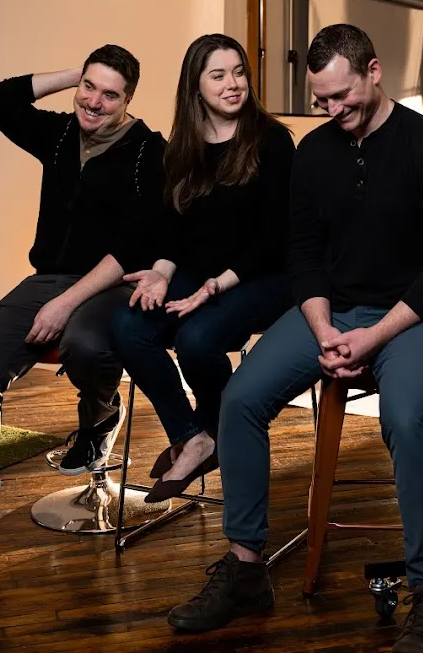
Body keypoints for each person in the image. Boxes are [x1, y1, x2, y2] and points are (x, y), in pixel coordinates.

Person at [166, 24, 423, 653]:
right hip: (332, 315)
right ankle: (246, 569)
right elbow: (302, 255)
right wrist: (326, 328)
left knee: (407, 417)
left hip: (415, 317)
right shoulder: (314, 153)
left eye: (343, 96)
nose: (333, 110)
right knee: (240, 400)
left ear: (373, 72)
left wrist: (373, 337)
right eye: (322, 100)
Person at [0, 45, 165, 572]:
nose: (94, 102)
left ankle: (100, 419)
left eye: (110, 95)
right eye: (88, 87)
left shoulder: (148, 151)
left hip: (112, 281)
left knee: (85, 344)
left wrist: (65, 304)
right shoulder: (61, 133)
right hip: (47, 279)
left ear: (128, 100)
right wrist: (74, 75)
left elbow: (135, 245)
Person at [112, 34, 295, 503]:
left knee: (196, 340)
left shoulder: (273, 140)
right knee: (128, 325)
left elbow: (275, 238)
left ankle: (219, 428)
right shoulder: (182, 147)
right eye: (218, 75)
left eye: (239, 72)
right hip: (202, 272)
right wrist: (161, 274)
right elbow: (173, 230)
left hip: (264, 275)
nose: (233, 84)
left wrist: (213, 287)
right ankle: (193, 437)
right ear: (195, 85)